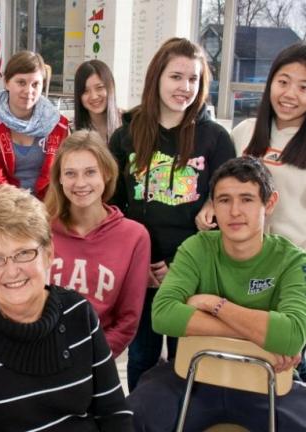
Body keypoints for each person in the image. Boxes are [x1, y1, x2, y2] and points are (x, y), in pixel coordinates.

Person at [0, 184, 133, 431]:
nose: (11, 270)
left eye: (24, 253)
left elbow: (114, 414)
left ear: (48, 253)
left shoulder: (78, 313)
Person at [128, 156, 306, 431]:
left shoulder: (292, 260)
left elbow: (292, 335)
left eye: (247, 199)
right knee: (131, 416)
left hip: (268, 384)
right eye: (224, 200)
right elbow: (162, 315)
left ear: (269, 203)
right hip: (195, 378)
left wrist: (214, 305)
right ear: (213, 205)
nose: (234, 211)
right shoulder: (197, 247)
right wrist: (261, 337)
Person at [109, 37, 236, 389]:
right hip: (143, 272)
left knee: (190, 362)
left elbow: (227, 210)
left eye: (193, 79)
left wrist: (180, 267)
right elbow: (115, 209)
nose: (185, 88)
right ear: (157, 79)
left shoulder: (216, 139)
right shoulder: (126, 137)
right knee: (141, 360)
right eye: (176, 77)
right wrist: (142, 265)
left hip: (193, 275)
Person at [45, 130, 150, 358]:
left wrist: (90, 359)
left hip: (95, 360)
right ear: (59, 179)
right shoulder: (41, 229)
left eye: (90, 172)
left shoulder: (135, 237)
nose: (80, 183)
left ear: (107, 174)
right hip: (40, 353)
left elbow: (127, 322)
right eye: (70, 173)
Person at [230, 42, 306, 249]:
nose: (290, 94)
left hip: (295, 262)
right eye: (283, 82)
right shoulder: (244, 131)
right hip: (243, 256)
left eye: (303, 87)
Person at [0, 51, 69, 200]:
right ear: (6, 82)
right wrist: (26, 210)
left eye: (35, 84)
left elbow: (60, 178)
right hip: (3, 202)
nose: (29, 91)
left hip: (49, 203)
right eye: (21, 82)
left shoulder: (58, 125)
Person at [74, 59, 121, 142]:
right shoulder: (71, 131)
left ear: (111, 87)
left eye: (99, 87)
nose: (94, 96)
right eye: (85, 91)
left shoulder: (128, 124)